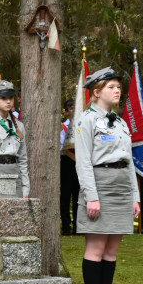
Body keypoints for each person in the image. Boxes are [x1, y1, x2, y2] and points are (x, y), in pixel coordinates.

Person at [74, 67, 138, 284]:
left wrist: (135, 196)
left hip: (121, 186)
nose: (117, 90)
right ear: (96, 92)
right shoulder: (87, 120)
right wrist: (92, 196)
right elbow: (83, 162)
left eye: (118, 87)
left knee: (112, 249)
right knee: (97, 247)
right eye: (111, 87)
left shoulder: (120, 122)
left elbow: (129, 161)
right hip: (100, 185)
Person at [60, 100, 80, 235]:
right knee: (66, 196)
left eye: (75, 108)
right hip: (66, 162)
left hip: (80, 163)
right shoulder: (62, 127)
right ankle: (66, 226)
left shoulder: (82, 126)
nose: (73, 110)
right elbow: (61, 145)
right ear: (66, 111)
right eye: (71, 108)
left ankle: (78, 226)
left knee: (78, 196)